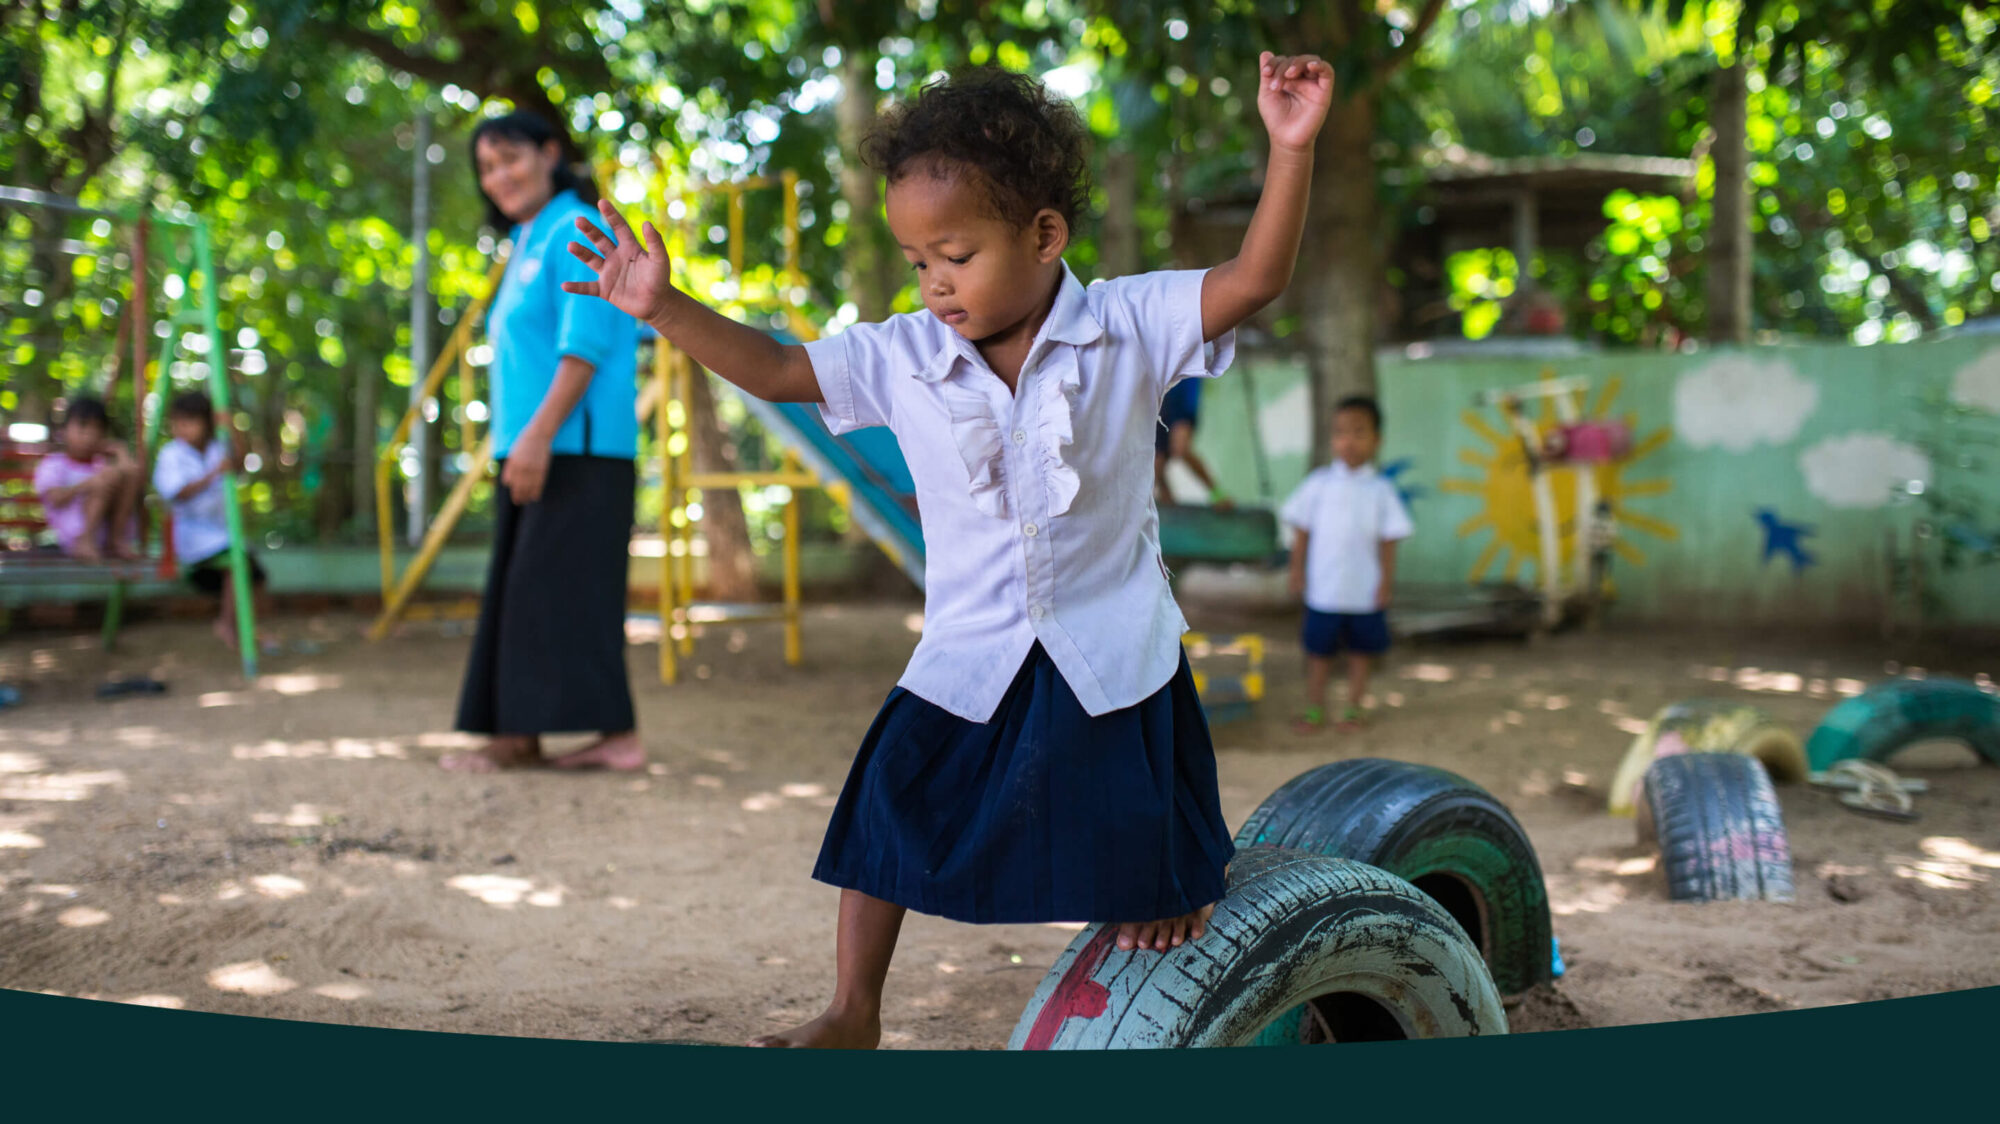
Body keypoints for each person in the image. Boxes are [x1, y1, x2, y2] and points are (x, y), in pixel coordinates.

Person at [565, 53, 1333, 1048]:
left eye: (954, 255)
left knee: (1141, 821)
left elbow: (1254, 278)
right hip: (971, 642)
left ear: (1044, 234)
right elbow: (771, 366)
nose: (932, 281)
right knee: (883, 812)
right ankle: (852, 1009)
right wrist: (661, 305)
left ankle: (1164, 889)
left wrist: (1287, 147)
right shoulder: (899, 357)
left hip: (1109, 639)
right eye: (916, 260)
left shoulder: (1127, 324)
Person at [443, 110, 643, 774]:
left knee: (554, 591)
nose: (499, 176)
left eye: (511, 158)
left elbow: (582, 345)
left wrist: (538, 438)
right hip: (532, 445)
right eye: (487, 167)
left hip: (576, 448)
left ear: (550, 152)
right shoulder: (529, 238)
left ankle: (611, 737)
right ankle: (521, 735)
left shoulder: (577, 225)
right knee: (527, 590)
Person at [1280, 395, 1413, 734]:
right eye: (1341, 432)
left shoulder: (1381, 490)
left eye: (1359, 432)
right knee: (1318, 653)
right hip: (1323, 591)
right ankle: (1314, 710)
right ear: (1332, 438)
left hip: (1364, 591)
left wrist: (1385, 583)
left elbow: (1389, 541)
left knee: (1360, 653)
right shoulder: (1318, 484)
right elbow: (1302, 532)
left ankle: (1354, 709)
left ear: (1376, 439)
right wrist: (1296, 571)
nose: (1349, 441)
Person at [152, 391, 266, 650]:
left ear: (206, 423)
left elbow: (238, 464)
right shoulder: (172, 454)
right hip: (192, 535)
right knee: (237, 563)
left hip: (220, 531)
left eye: (190, 422)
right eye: (178, 422)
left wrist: (231, 426)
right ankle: (225, 624)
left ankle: (247, 628)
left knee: (257, 577)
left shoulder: (217, 448)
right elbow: (177, 493)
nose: (182, 429)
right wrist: (213, 474)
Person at [33, 396, 142, 561]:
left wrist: (121, 451)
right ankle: (85, 540)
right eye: (82, 428)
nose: (90, 436)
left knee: (118, 475)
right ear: (64, 430)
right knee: (104, 480)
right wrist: (91, 483)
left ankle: (117, 540)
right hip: (71, 538)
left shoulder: (101, 462)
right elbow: (55, 499)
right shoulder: (53, 464)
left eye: (97, 429)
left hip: (103, 539)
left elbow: (133, 475)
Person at [1152, 377, 1232, 509]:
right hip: (1163, 395)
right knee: (1157, 462)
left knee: (1180, 448)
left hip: (1183, 388)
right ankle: (1167, 498)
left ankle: (1217, 494)